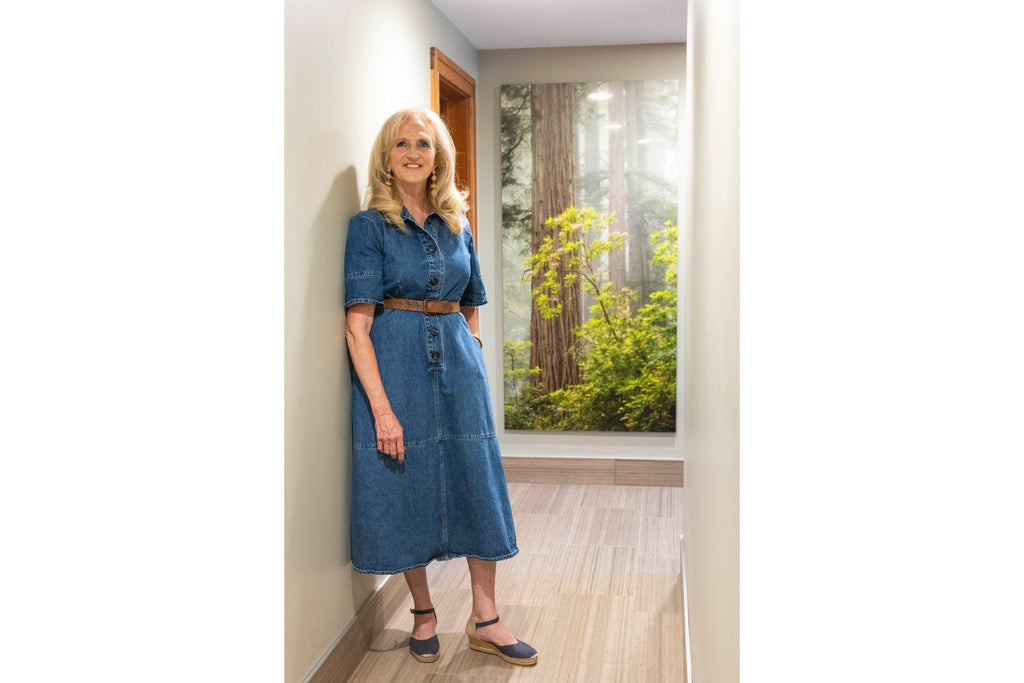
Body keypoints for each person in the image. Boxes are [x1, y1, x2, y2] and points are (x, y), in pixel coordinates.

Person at [343, 107, 538, 667]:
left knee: (477, 481)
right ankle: (423, 612)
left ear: (437, 157)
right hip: (396, 367)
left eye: (423, 144)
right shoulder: (368, 228)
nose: (412, 152)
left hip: (458, 368)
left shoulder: (458, 222)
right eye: (401, 143)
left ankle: (487, 619)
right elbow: (357, 325)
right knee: (405, 483)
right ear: (387, 156)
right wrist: (382, 409)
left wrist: (471, 348)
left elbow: (471, 299)